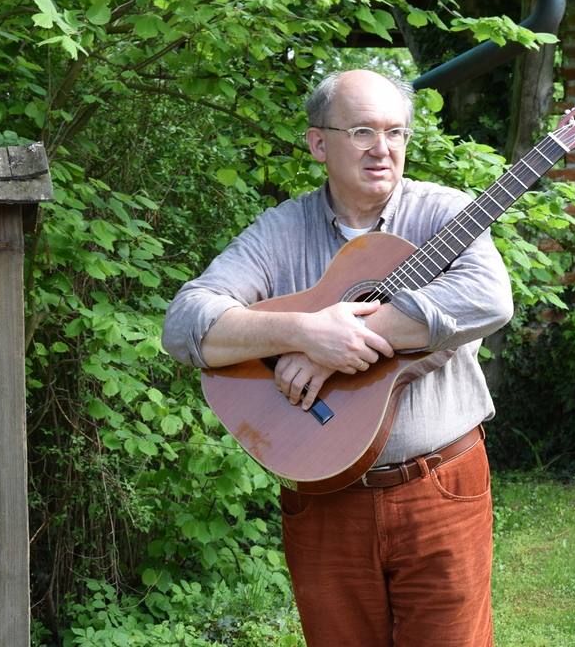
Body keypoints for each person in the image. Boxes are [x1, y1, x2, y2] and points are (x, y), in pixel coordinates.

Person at [162, 68, 513, 647]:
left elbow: (488, 299)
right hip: (322, 496)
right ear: (318, 143)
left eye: (395, 132)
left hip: (441, 487)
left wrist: (348, 342)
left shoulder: (445, 213)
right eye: (362, 132)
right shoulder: (281, 231)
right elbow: (185, 324)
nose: (383, 148)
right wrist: (305, 332)